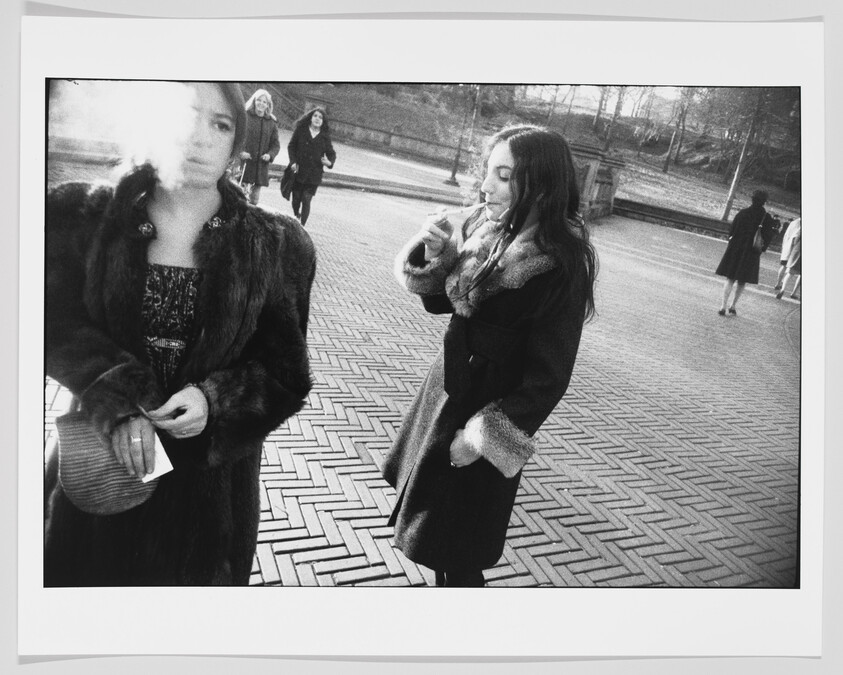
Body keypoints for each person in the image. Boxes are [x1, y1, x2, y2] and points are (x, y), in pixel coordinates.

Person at [44, 81, 316, 586]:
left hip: (207, 507)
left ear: (236, 144)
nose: (202, 137)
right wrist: (121, 399)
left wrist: (216, 402)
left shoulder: (275, 244)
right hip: (100, 474)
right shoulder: (85, 217)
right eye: (189, 115)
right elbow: (50, 321)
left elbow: (286, 371)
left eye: (221, 124)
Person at [382, 125, 596, 587]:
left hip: (483, 412)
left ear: (542, 185)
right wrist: (438, 254)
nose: (485, 186)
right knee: (437, 537)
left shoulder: (561, 263)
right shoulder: (491, 229)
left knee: (458, 552)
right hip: (445, 394)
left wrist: (481, 440)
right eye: (488, 172)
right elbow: (448, 303)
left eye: (503, 175)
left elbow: (549, 378)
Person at [715, 189, 776, 316]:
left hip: (736, 249)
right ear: (764, 202)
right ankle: (733, 305)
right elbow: (768, 236)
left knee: (730, 278)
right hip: (751, 253)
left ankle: (723, 306)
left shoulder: (742, 213)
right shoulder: (766, 218)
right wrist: (762, 249)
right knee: (742, 281)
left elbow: (732, 231)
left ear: (752, 199)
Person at [286, 107, 336, 225]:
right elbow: (291, 146)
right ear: (310, 118)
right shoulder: (301, 130)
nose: (317, 119)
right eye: (315, 116)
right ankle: (296, 215)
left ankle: (302, 226)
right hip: (299, 171)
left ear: (323, 121)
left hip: (314, 175)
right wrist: (293, 162)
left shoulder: (325, 136)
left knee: (306, 199)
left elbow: (331, 153)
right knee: (296, 199)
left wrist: (329, 163)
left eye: (320, 117)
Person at [239, 88, 280, 205]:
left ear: (268, 105)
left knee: (254, 201)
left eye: (264, 102)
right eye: (259, 100)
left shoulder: (271, 122)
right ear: (254, 101)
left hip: (260, 168)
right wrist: (241, 152)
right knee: (239, 199)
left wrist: (270, 155)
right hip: (244, 165)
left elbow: (275, 145)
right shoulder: (245, 116)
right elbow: (236, 137)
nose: (261, 104)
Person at [775, 217, 802, 300]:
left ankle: (780, 286)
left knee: (789, 271)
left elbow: (792, 236)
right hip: (799, 250)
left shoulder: (794, 222)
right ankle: (794, 292)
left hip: (793, 249)